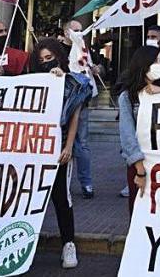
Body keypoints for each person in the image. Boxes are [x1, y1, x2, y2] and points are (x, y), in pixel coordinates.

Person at [32, 38, 92, 269]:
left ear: (59, 56)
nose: (47, 63)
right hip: (34, 149)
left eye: (50, 58)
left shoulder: (74, 83)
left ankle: (69, 244)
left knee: (61, 198)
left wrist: (68, 147)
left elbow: (74, 117)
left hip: (58, 150)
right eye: (42, 60)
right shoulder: (32, 80)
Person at [118, 45, 160, 214]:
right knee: (139, 211)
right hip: (141, 162)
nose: (159, 65)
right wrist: (140, 171)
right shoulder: (127, 96)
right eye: (155, 61)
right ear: (144, 64)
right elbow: (127, 135)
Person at [58, 20, 96, 199]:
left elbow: (92, 69)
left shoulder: (83, 49)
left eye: (81, 30)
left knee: (82, 144)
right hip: (60, 102)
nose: (80, 33)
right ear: (66, 33)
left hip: (81, 103)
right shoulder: (55, 50)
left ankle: (86, 183)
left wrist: (97, 69)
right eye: (76, 31)